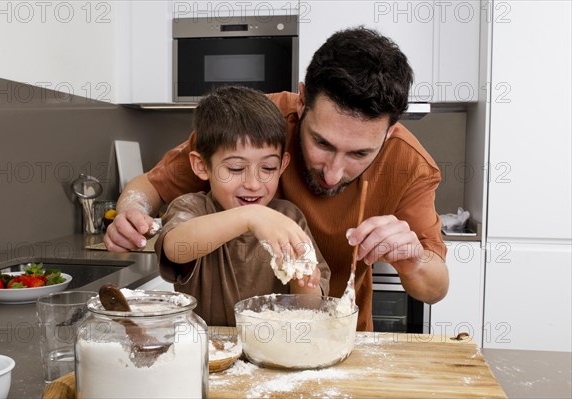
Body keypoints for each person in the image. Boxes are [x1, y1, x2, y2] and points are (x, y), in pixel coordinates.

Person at [104, 27, 449, 331]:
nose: (332, 174)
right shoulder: (254, 128)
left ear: (389, 134)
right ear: (301, 103)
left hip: (336, 334)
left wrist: (413, 260)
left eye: (359, 154)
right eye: (322, 143)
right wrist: (128, 212)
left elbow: (435, 289)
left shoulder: (411, 165)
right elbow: (148, 189)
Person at [154, 86, 330, 326]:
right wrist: (251, 216)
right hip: (209, 353)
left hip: (274, 352)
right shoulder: (192, 208)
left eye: (268, 168)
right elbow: (175, 248)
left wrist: (304, 279)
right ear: (201, 166)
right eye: (236, 168)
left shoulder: (289, 218)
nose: (253, 184)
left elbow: (309, 309)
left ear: (282, 165)